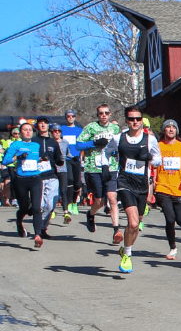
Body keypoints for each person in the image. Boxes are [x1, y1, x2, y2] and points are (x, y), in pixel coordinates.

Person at [104, 106, 162, 273]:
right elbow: (106, 152)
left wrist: (150, 159)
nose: (135, 122)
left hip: (142, 184)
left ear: (141, 120)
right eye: (131, 119)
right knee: (133, 222)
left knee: (136, 225)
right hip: (124, 182)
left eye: (138, 119)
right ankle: (127, 255)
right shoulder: (118, 138)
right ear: (126, 120)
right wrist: (106, 167)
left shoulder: (149, 139)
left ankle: (126, 248)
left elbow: (158, 158)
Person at [76, 104, 122, 244]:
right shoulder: (91, 128)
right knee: (100, 201)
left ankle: (116, 230)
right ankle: (90, 214)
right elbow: (78, 145)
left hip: (111, 166)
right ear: (97, 115)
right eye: (101, 113)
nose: (104, 115)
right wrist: (94, 142)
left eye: (106, 113)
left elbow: (119, 145)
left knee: (112, 198)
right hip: (93, 168)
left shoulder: (115, 129)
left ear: (110, 114)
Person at [155, 119, 181, 260]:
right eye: (168, 127)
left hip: (180, 189)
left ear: (176, 131)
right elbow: (152, 165)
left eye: (173, 127)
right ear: (164, 130)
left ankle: (174, 241)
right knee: (170, 219)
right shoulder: (158, 146)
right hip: (163, 187)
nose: (171, 129)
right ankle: (172, 247)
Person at [2, 123, 44, 247]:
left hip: (35, 178)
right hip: (20, 179)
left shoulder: (37, 145)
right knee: (24, 208)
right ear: (20, 133)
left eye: (30, 130)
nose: (28, 132)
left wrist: (44, 159)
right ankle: (19, 221)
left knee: (36, 208)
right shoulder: (16, 145)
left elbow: (40, 158)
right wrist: (17, 157)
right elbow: (5, 161)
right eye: (25, 130)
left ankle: (37, 235)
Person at [33, 116, 65, 239]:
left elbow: (58, 160)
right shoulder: (33, 141)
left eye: (45, 123)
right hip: (37, 176)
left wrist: (61, 161)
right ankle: (38, 228)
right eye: (40, 123)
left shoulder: (53, 142)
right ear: (37, 126)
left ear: (48, 126)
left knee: (50, 205)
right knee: (39, 205)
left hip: (52, 176)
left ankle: (42, 229)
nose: (42, 125)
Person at [61, 109, 83, 215]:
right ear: (66, 117)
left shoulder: (79, 130)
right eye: (68, 116)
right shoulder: (61, 129)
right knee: (69, 180)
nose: (70, 118)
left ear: (75, 117)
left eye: (72, 116)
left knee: (77, 183)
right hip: (66, 159)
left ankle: (74, 202)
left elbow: (82, 144)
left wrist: (82, 156)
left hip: (76, 159)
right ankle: (69, 203)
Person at [50, 123, 73, 224]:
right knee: (53, 192)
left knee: (63, 191)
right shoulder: (49, 143)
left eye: (59, 131)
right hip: (52, 170)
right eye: (55, 131)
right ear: (52, 132)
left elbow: (68, 154)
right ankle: (52, 210)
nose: (57, 133)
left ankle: (66, 212)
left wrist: (74, 158)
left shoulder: (65, 142)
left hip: (63, 169)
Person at [1, 127, 21, 207]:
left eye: (18, 133)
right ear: (12, 134)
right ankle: (11, 199)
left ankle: (18, 198)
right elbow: (3, 151)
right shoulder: (8, 142)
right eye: (14, 133)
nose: (16, 135)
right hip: (10, 165)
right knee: (11, 182)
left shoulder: (21, 142)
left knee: (19, 182)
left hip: (19, 164)